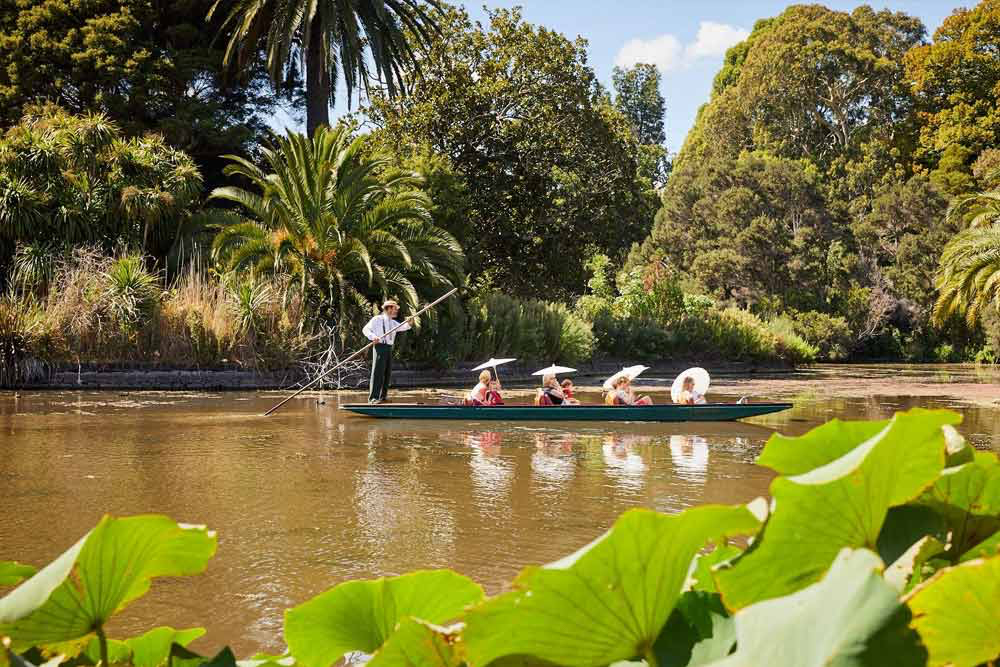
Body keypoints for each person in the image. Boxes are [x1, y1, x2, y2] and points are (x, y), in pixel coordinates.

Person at [362, 300, 411, 404]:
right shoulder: (377, 319)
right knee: (378, 372)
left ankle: (382, 397)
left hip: (388, 348)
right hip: (379, 346)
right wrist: (373, 337)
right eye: (394, 309)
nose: (396, 311)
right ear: (388, 309)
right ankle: (373, 398)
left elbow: (403, 327)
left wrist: (409, 322)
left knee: (387, 373)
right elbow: (365, 330)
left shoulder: (392, 322)